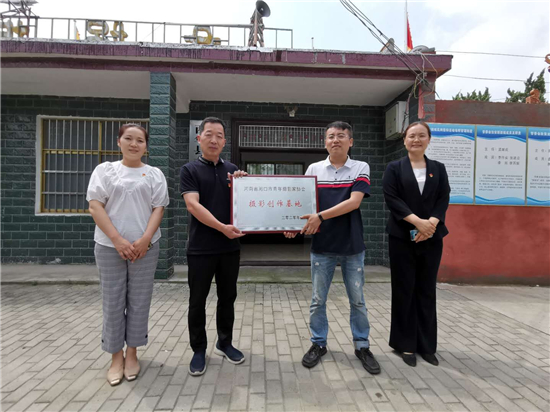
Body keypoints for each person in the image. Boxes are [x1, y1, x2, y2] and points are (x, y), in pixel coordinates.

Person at [285, 121, 381, 375]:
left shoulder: (360, 167)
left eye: (341, 135)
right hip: (322, 245)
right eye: (330, 136)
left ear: (351, 141)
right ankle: (318, 343)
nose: (335, 140)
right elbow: (303, 203)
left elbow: (354, 202)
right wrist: (293, 225)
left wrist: (319, 217)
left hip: (352, 245)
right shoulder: (314, 169)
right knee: (318, 300)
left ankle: (362, 345)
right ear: (325, 142)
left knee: (357, 300)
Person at [87, 123, 169, 386]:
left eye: (140, 140)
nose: (134, 144)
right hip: (109, 247)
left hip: (145, 248)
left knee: (139, 301)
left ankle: (132, 353)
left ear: (146, 146)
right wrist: (117, 240)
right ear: (119, 141)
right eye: (129, 139)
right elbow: (95, 206)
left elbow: (158, 208)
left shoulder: (155, 174)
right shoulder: (105, 171)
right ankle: (115, 357)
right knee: (112, 301)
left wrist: (145, 239)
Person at [180, 117, 247, 376]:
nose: (214, 140)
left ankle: (225, 342)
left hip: (230, 248)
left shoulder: (232, 170)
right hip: (201, 248)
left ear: (225, 141)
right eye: (208, 134)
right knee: (197, 301)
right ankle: (198, 349)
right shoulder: (189, 170)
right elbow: (193, 205)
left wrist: (244, 184)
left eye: (219, 135)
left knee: (228, 298)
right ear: (199, 139)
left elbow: (244, 203)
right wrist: (222, 228)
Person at [382, 121, 450, 367]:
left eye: (422, 135)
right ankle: (405, 344)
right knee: (404, 290)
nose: (416, 140)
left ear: (429, 140)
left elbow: (443, 197)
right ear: (404, 140)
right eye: (412, 136)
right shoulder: (394, 168)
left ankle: (427, 346)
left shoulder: (438, 168)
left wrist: (431, 223)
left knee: (426, 290)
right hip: (402, 236)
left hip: (432, 237)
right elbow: (392, 198)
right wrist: (417, 222)